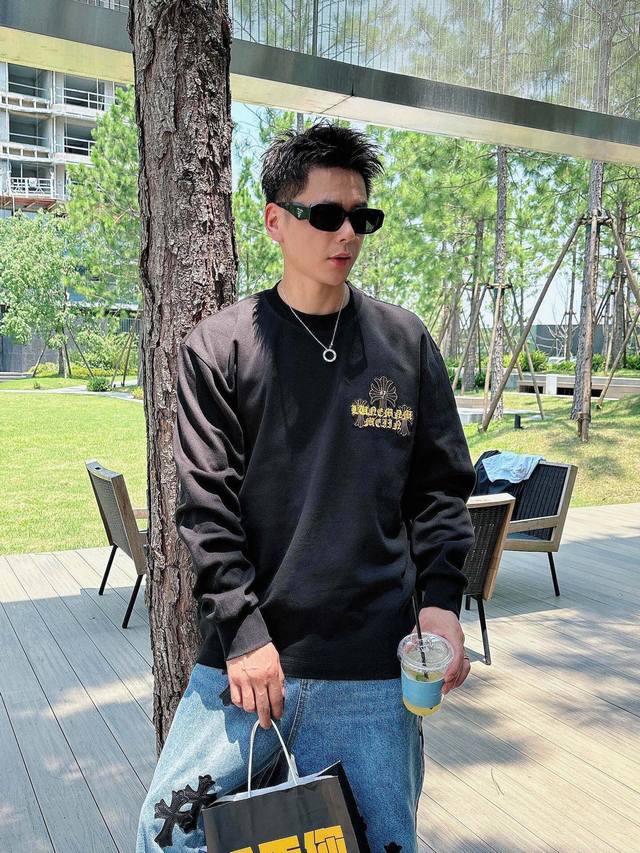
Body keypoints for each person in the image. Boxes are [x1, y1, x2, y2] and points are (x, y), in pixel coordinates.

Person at [136, 119, 476, 852]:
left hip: (373, 667)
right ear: (275, 221)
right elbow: (206, 508)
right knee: (167, 837)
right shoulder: (221, 346)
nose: (346, 232)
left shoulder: (405, 342)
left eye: (361, 217)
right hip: (248, 663)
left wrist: (443, 605)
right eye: (326, 214)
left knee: (379, 841)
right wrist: (244, 634)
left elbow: (440, 492)